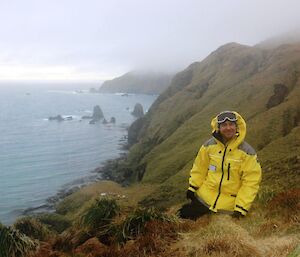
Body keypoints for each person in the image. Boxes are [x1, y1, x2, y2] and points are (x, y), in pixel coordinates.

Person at [178, 111, 262, 220]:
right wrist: (193, 187)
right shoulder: (208, 146)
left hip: (228, 207)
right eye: (224, 125)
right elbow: (200, 168)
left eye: (231, 124)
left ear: (237, 127)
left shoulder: (247, 153)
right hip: (203, 199)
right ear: (218, 128)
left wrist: (241, 207)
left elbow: (251, 182)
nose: (228, 128)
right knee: (179, 219)